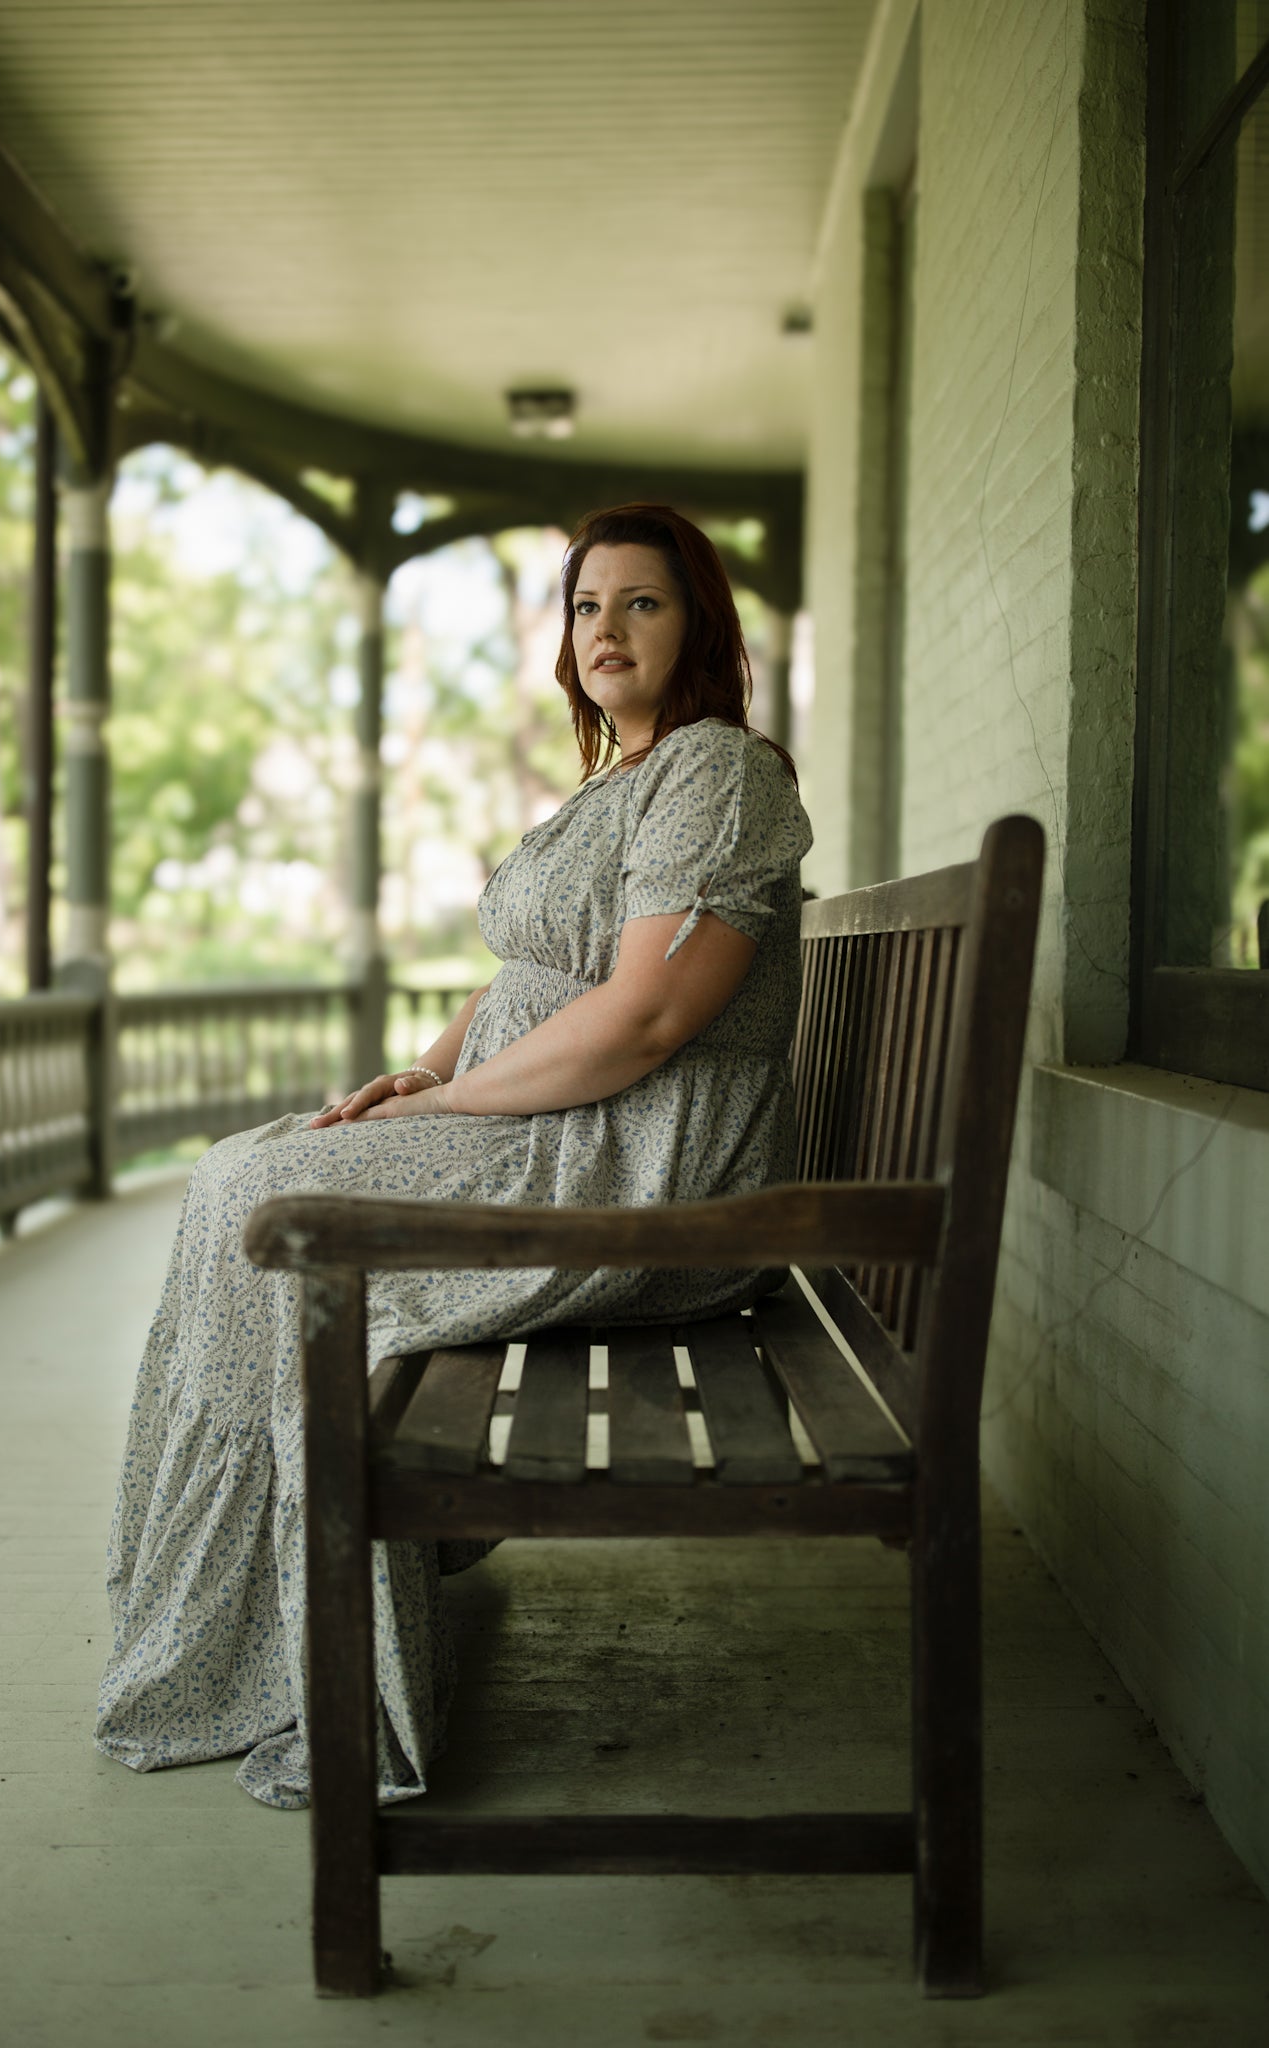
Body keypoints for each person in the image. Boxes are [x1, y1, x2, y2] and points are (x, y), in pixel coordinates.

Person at [95, 503, 813, 1810]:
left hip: (635, 1173)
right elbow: (524, 982)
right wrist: (427, 1073)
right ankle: (235, 1649)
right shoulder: (623, 779)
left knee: (277, 1203)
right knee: (242, 1171)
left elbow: (647, 1019)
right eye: (588, 606)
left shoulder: (719, 774)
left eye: (641, 603)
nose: (607, 630)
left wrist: (447, 1111)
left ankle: (317, 1675)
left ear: (696, 623)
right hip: (558, 1133)